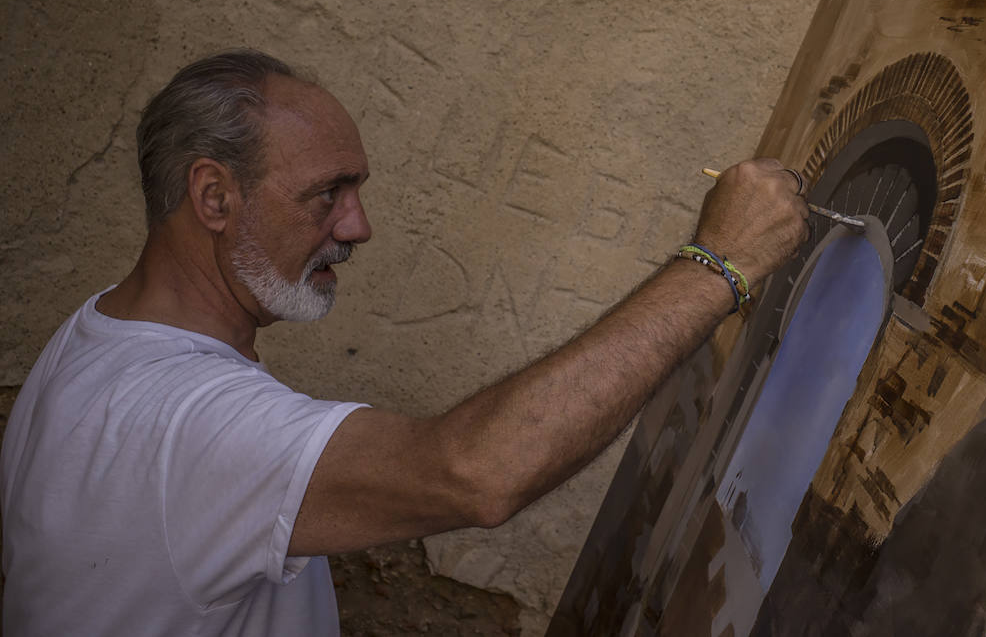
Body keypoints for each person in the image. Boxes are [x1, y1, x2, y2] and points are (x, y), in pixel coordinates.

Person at [0, 49, 808, 635]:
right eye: (327, 194)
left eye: (355, 190)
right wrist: (720, 264)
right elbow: (477, 474)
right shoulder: (187, 423)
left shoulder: (100, 331)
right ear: (213, 197)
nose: (358, 227)